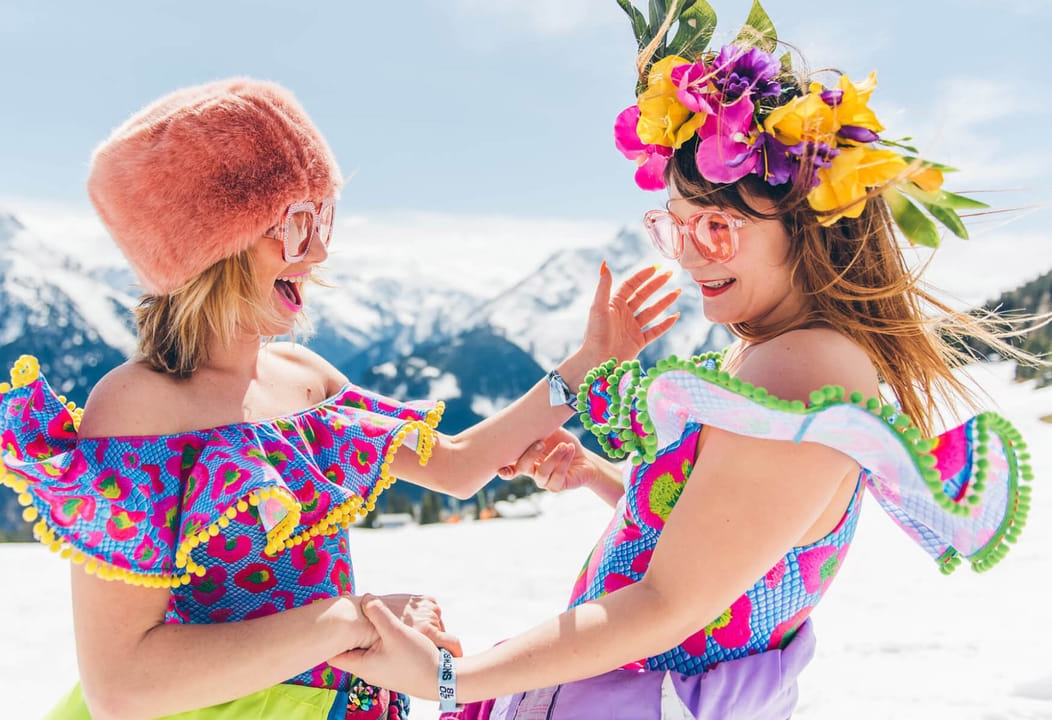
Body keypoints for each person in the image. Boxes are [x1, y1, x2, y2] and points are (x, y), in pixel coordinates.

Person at [325, 3, 1038, 718]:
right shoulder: (776, 356)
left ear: (809, 228)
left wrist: (453, 679)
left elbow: (671, 602)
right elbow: (729, 544)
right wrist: (606, 480)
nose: (692, 253)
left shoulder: (801, 372)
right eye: (678, 224)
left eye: (720, 227)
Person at [0, 78, 681, 720]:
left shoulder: (303, 378)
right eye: (295, 226)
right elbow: (123, 686)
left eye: (326, 221)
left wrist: (589, 365)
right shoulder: (136, 410)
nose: (317, 253)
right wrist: (352, 621)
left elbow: (460, 464)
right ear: (209, 247)